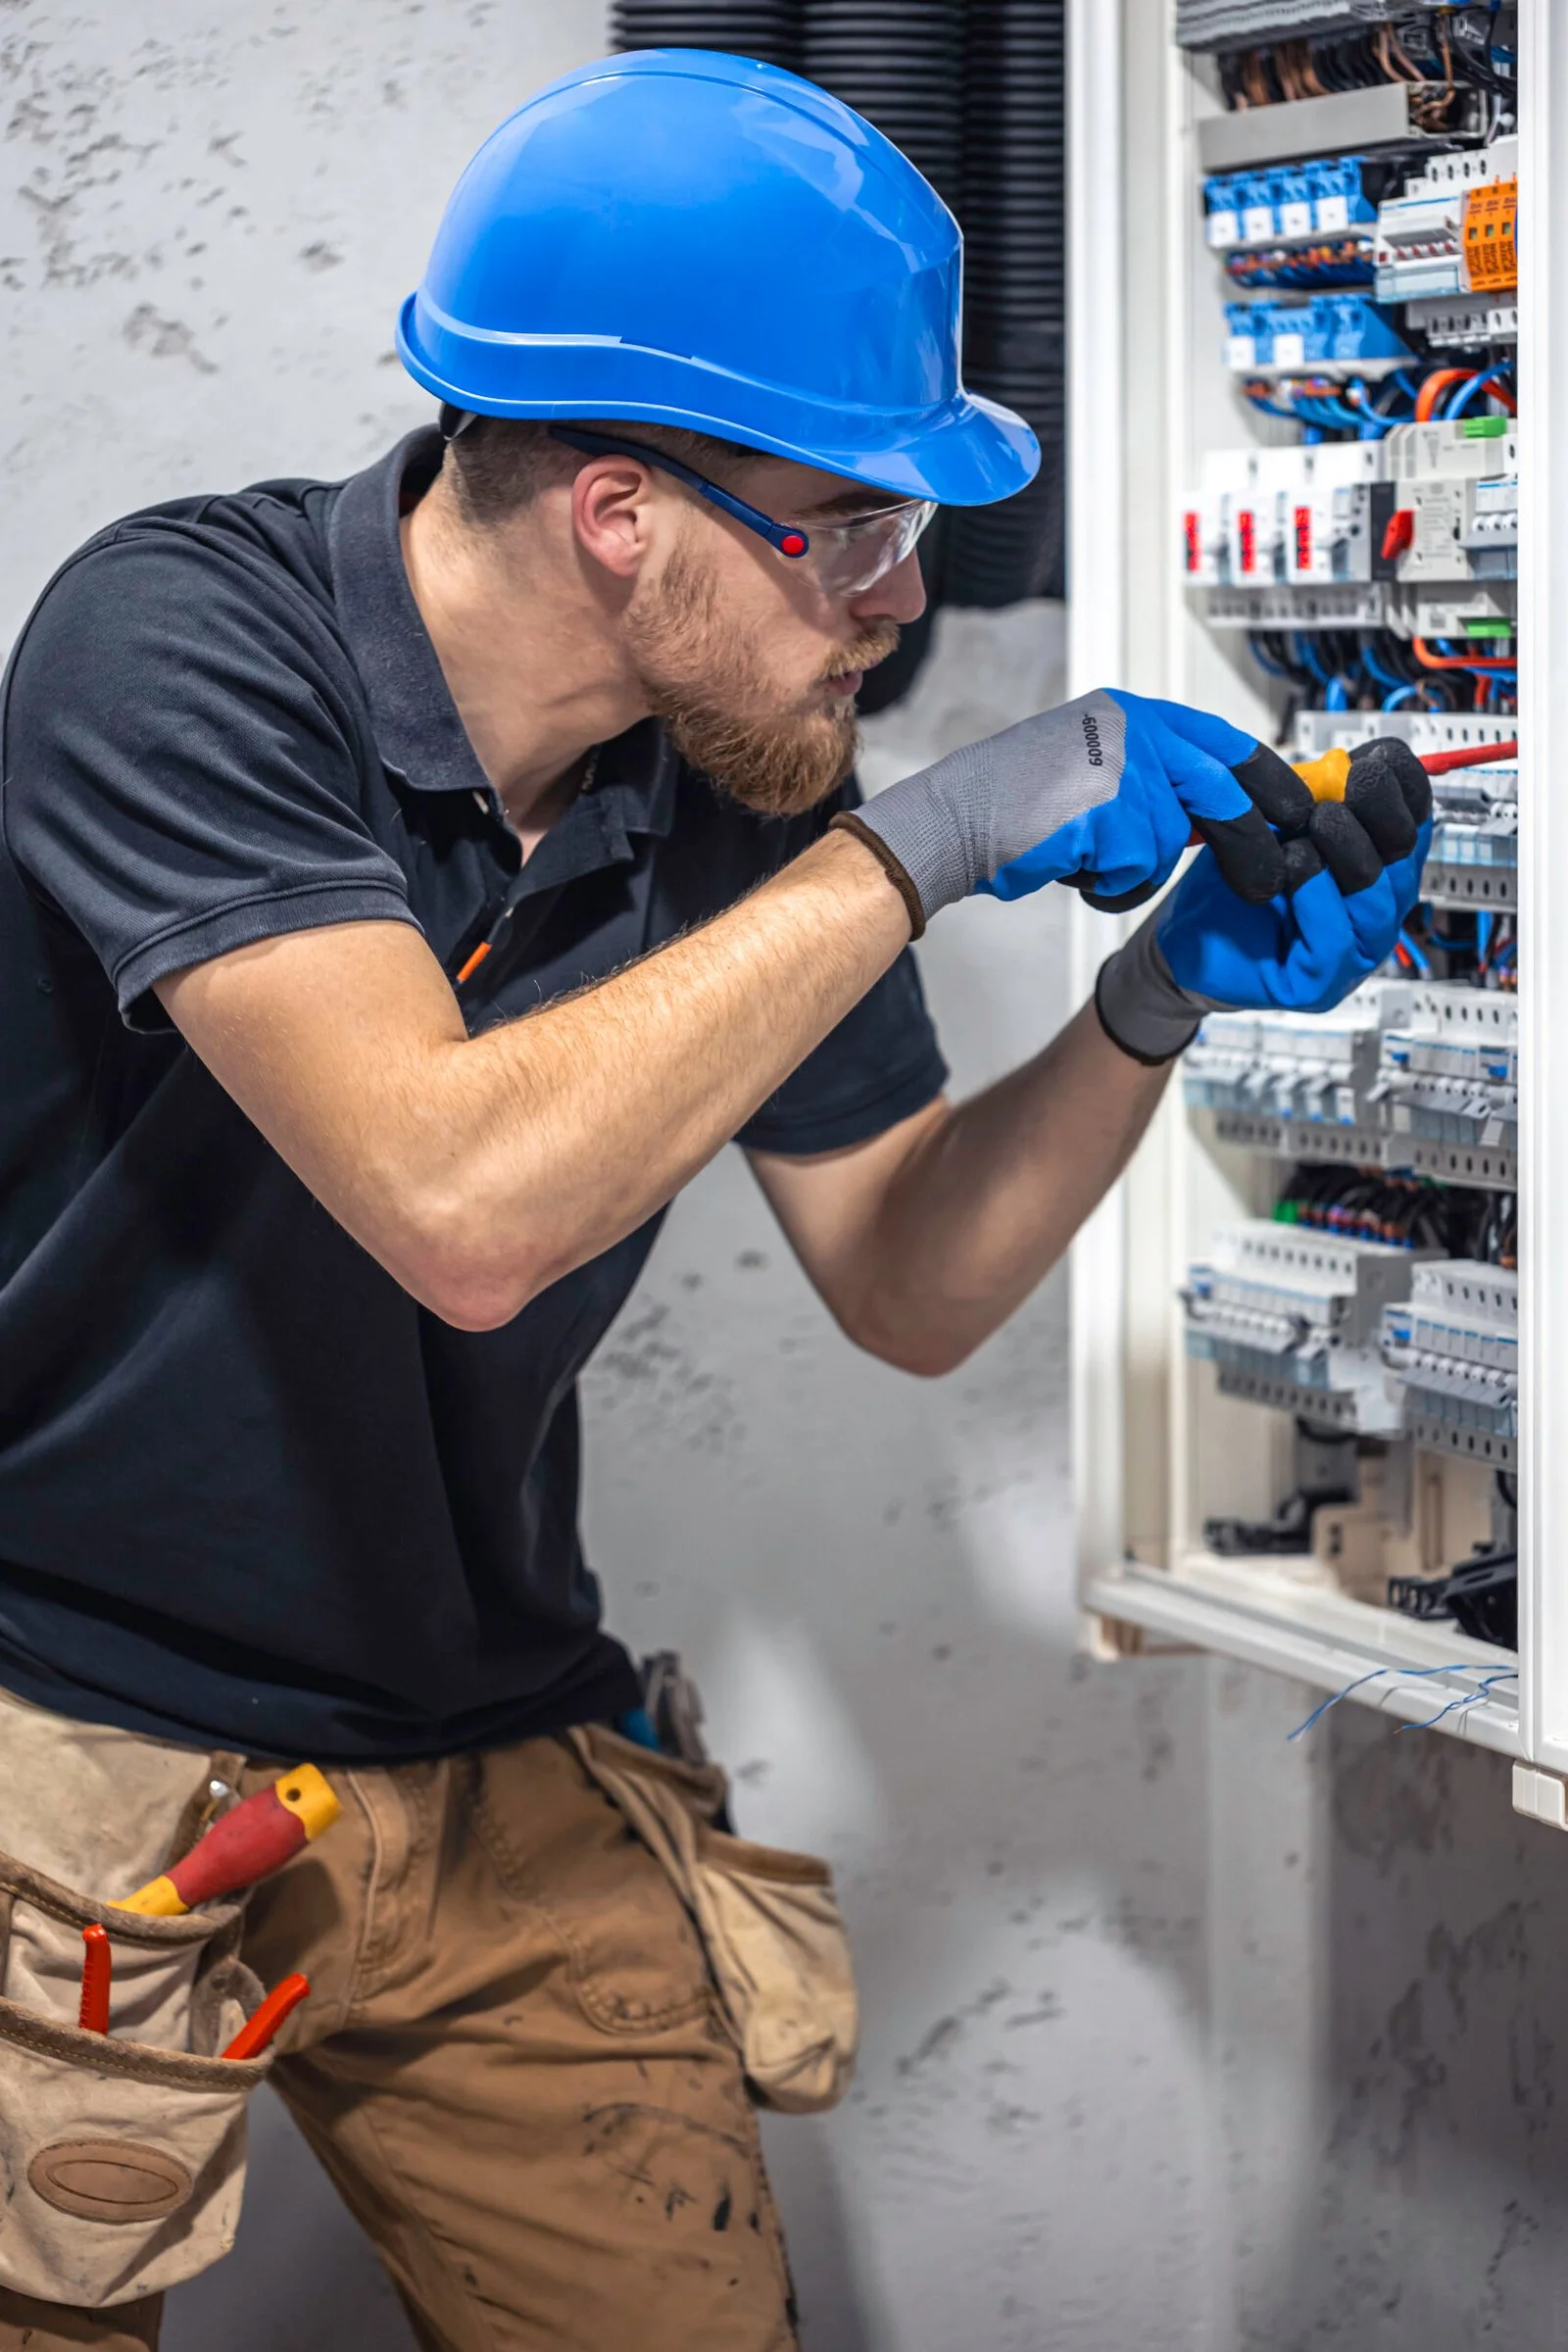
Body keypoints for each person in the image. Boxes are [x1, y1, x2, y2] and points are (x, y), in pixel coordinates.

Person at [0, 49, 1429, 2352]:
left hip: (485, 1724)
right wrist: (927, 845)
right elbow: (459, 1202)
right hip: (64, 1746)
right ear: (614, 512)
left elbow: (909, 1275)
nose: (894, 610)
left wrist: (1155, 1001)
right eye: (851, 532)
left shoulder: (739, 776)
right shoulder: (178, 651)